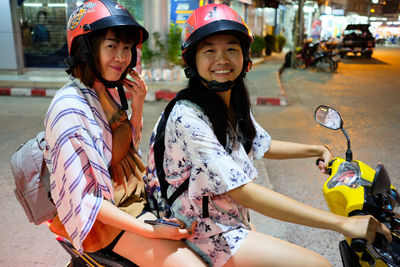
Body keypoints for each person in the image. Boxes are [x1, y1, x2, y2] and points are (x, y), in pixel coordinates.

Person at [146, 4, 392, 267]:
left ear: (245, 56)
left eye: (231, 48)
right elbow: (243, 192)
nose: (222, 59)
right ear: (192, 60)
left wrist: (316, 149)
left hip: (228, 221)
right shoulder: (187, 116)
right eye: (209, 50)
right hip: (201, 232)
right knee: (317, 264)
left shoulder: (230, 102)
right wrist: (342, 223)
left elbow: (262, 143)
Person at [43, 1, 205, 266]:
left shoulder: (105, 92)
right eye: (112, 46)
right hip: (103, 219)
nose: (122, 56)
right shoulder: (69, 108)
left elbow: (123, 152)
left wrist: (138, 103)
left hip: (133, 198)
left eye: (127, 47)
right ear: (86, 48)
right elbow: (85, 197)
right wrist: (150, 230)